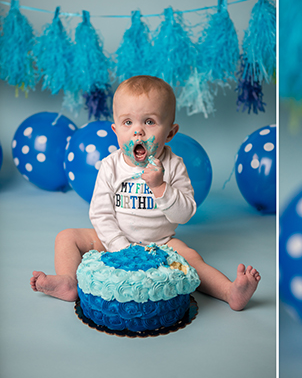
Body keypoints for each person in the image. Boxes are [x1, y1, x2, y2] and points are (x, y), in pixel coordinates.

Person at [31, 75, 260, 311]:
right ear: (116, 130)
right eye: (128, 122)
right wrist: (120, 247)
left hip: (162, 242)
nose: (138, 132)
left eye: (149, 122)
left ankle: (230, 291)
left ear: (170, 133)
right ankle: (68, 282)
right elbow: (100, 214)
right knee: (66, 237)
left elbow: (185, 214)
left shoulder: (173, 165)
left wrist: (161, 187)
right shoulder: (111, 165)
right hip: (114, 239)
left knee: (192, 258)